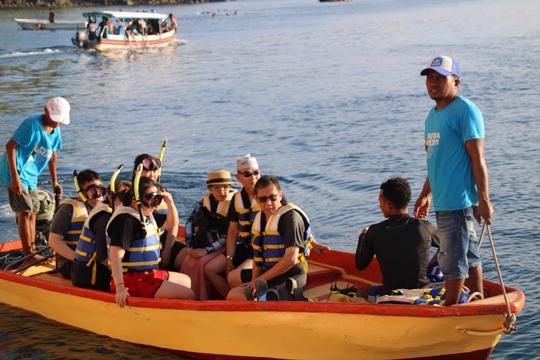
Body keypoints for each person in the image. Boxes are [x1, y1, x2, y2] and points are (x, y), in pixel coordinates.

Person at [414, 55, 493, 306]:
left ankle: (452, 307)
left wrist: (484, 199)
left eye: (440, 78)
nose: (433, 83)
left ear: (456, 81)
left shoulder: (465, 111)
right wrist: (426, 193)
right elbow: (436, 160)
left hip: (458, 200)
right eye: (429, 78)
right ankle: (477, 300)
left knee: (452, 258)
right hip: (443, 199)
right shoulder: (432, 115)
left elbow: (477, 159)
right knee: (468, 253)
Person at [107, 176, 194, 307]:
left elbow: (172, 223)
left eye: (157, 200)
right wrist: (120, 287)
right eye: (152, 200)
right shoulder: (125, 220)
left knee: (186, 280)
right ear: (136, 200)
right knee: (188, 295)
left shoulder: (147, 215)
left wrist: (170, 202)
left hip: (147, 274)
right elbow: (115, 254)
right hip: (130, 279)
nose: (155, 205)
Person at [0, 97, 69, 262]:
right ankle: (28, 254)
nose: (58, 123)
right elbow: (10, 146)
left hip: (32, 174)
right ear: (46, 111)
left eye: (60, 121)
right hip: (16, 171)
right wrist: (15, 178)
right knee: (25, 211)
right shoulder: (31, 125)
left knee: (33, 211)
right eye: (55, 119)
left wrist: (55, 181)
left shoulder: (55, 131)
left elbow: (53, 155)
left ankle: (31, 250)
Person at [227, 175, 314, 300]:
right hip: (268, 272)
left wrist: (259, 280)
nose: (268, 203)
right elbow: (258, 257)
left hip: (290, 275)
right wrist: (254, 282)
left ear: (280, 195)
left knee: (233, 295)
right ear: (255, 198)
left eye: (273, 197)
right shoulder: (259, 218)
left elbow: (291, 259)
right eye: (263, 199)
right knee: (232, 277)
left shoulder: (290, 218)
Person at [355, 177, 439, 301]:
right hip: (420, 292)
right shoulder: (425, 227)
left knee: (363, 291)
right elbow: (451, 245)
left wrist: (363, 236)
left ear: (389, 205)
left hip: (390, 293)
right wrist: (432, 263)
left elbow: (360, 264)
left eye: (380, 201)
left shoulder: (374, 231)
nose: (380, 205)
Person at [182, 170, 236, 299]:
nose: (222, 191)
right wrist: (189, 245)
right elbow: (190, 222)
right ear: (210, 189)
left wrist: (206, 251)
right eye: (217, 187)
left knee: (202, 263)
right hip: (211, 242)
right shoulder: (204, 201)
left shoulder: (234, 203)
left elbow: (231, 234)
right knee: (189, 260)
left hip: (230, 243)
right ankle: (192, 295)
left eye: (225, 187)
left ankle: (219, 299)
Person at [71, 180, 130, 291]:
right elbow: (103, 259)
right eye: (123, 197)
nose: (127, 202)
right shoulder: (104, 218)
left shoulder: (115, 213)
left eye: (130, 197)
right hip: (90, 277)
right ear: (111, 198)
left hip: (91, 271)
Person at [132, 153, 186, 271]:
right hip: (142, 243)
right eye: (148, 170)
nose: (152, 175)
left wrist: (167, 250)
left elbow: (173, 225)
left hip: (164, 240)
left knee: (190, 258)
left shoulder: (162, 192)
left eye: (155, 171)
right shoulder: (129, 194)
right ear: (137, 171)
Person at [49, 170, 106, 279]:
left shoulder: (105, 208)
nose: (98, 195)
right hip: (71, 263)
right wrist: (78, 258)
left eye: (101, 190)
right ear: (80, 192)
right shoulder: (68, 209)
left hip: (96, 260)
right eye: (92, 191)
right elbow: (54, 241)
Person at [225, 154, 261, 289]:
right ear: (238, 177)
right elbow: (233, 231)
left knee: (233, 276)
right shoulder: (237, 198)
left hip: (261, 251)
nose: (253, 178)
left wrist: (313, 242)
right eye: (247, 174)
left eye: (256, 173)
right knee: (208, 269)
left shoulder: (268, 196)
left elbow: (290, 216)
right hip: (244, 248)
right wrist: (229, 259)